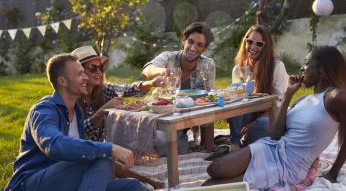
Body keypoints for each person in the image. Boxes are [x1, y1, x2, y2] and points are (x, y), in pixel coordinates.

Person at [206, 46, 346, 190]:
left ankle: (254, 177)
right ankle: (252, 175)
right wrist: (288, 94)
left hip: (288, 165)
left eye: (306, 63)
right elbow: (275, 135)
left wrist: (333, 173)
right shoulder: (303, 100)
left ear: (321, 69)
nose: (302, 68)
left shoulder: (335, 97)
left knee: (213, 186)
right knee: (214, 169)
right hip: (270, 148)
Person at [5, 54, 143, 191]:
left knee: (131, 186)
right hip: (30, 184)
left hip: (64, 180)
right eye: (80, 74)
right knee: (102, 157)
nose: (85, 78)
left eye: (84, 73)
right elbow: (54, 145)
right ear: (63, 81)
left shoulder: (77, 112)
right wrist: (110, 148)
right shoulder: (44, 110)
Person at [71, 45, 165, 189]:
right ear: (80, 72)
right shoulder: (72, 98)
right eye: (93, 68)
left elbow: (127, 89)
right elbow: (78, 133)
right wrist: (103, 111)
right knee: (109, 161)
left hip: (100, 151)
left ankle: (147, 182)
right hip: (80, 155)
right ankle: (149, 181)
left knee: (114, 161)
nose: (99, 72)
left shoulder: (102, 90)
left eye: (101, 68)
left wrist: (151, 83)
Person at [142, 22, 216, 151]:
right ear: (184, 41)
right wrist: (160, 71)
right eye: (190, 42)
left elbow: (207, 99)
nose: (193, 48)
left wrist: (204, 141)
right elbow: (147, 69)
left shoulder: (208, 65)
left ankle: (198, 143)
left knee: (202, 147)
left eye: (199, 45)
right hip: (167, 114)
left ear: (205, 48)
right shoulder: (169, 57)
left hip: (194, 113)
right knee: (164, 145)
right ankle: (181, 140)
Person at [227, 24, 289, 148]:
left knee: (255, 132)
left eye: (259, 44)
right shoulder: (238, 69)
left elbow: (278, 106)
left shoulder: (276, 67)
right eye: (249, 41)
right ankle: (235, 144)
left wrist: (252, 123)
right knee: (234, 106)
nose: (253, 47)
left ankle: (243, 147)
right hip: (248, 113)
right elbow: (236, 101)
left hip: (270, 116)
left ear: (266, 47)